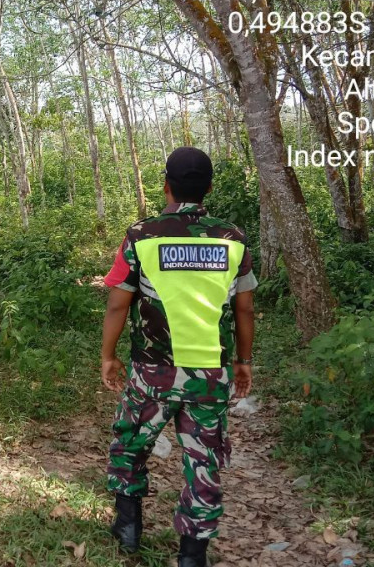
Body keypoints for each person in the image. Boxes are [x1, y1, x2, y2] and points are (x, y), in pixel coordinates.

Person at [101, 147, 256, 567]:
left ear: (166, 184)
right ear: (207, 187)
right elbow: (244, 308)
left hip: (153, 370)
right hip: (209, 371)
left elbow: (119, 303)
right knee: (203, 459)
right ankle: (192, 555)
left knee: (131, 441)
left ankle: (129, 527)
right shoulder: (233, 238)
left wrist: (108, 356)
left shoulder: (142, 235)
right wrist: (243, 360)